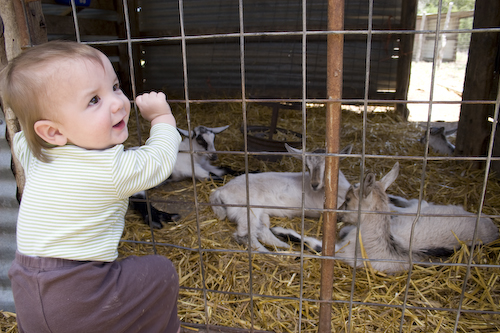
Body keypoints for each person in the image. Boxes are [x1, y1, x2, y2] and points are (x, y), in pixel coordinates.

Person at [1, 40, 182, 333]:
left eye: (114, 86)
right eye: (93, 100)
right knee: (160, 273)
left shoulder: (33, 152)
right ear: (54, 131)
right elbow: (158, 161)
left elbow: (23, 137)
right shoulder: (109, 169)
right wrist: (161, 118)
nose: (118, 102)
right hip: (77, 291)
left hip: (26, 287)